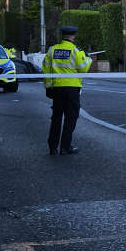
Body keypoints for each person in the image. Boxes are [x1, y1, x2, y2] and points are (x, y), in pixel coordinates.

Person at [42, 25, 92, 155]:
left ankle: (52, 147)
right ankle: (65, 147)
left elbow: (46, 69)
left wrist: (48, 87)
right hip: (72, 89)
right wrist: (88, 59)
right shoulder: (76, 51)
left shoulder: (52, 50)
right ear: (73, 36)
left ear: (62, 35)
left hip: (57, 89)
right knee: (71, 118)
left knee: (56, 118)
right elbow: (83, 68)